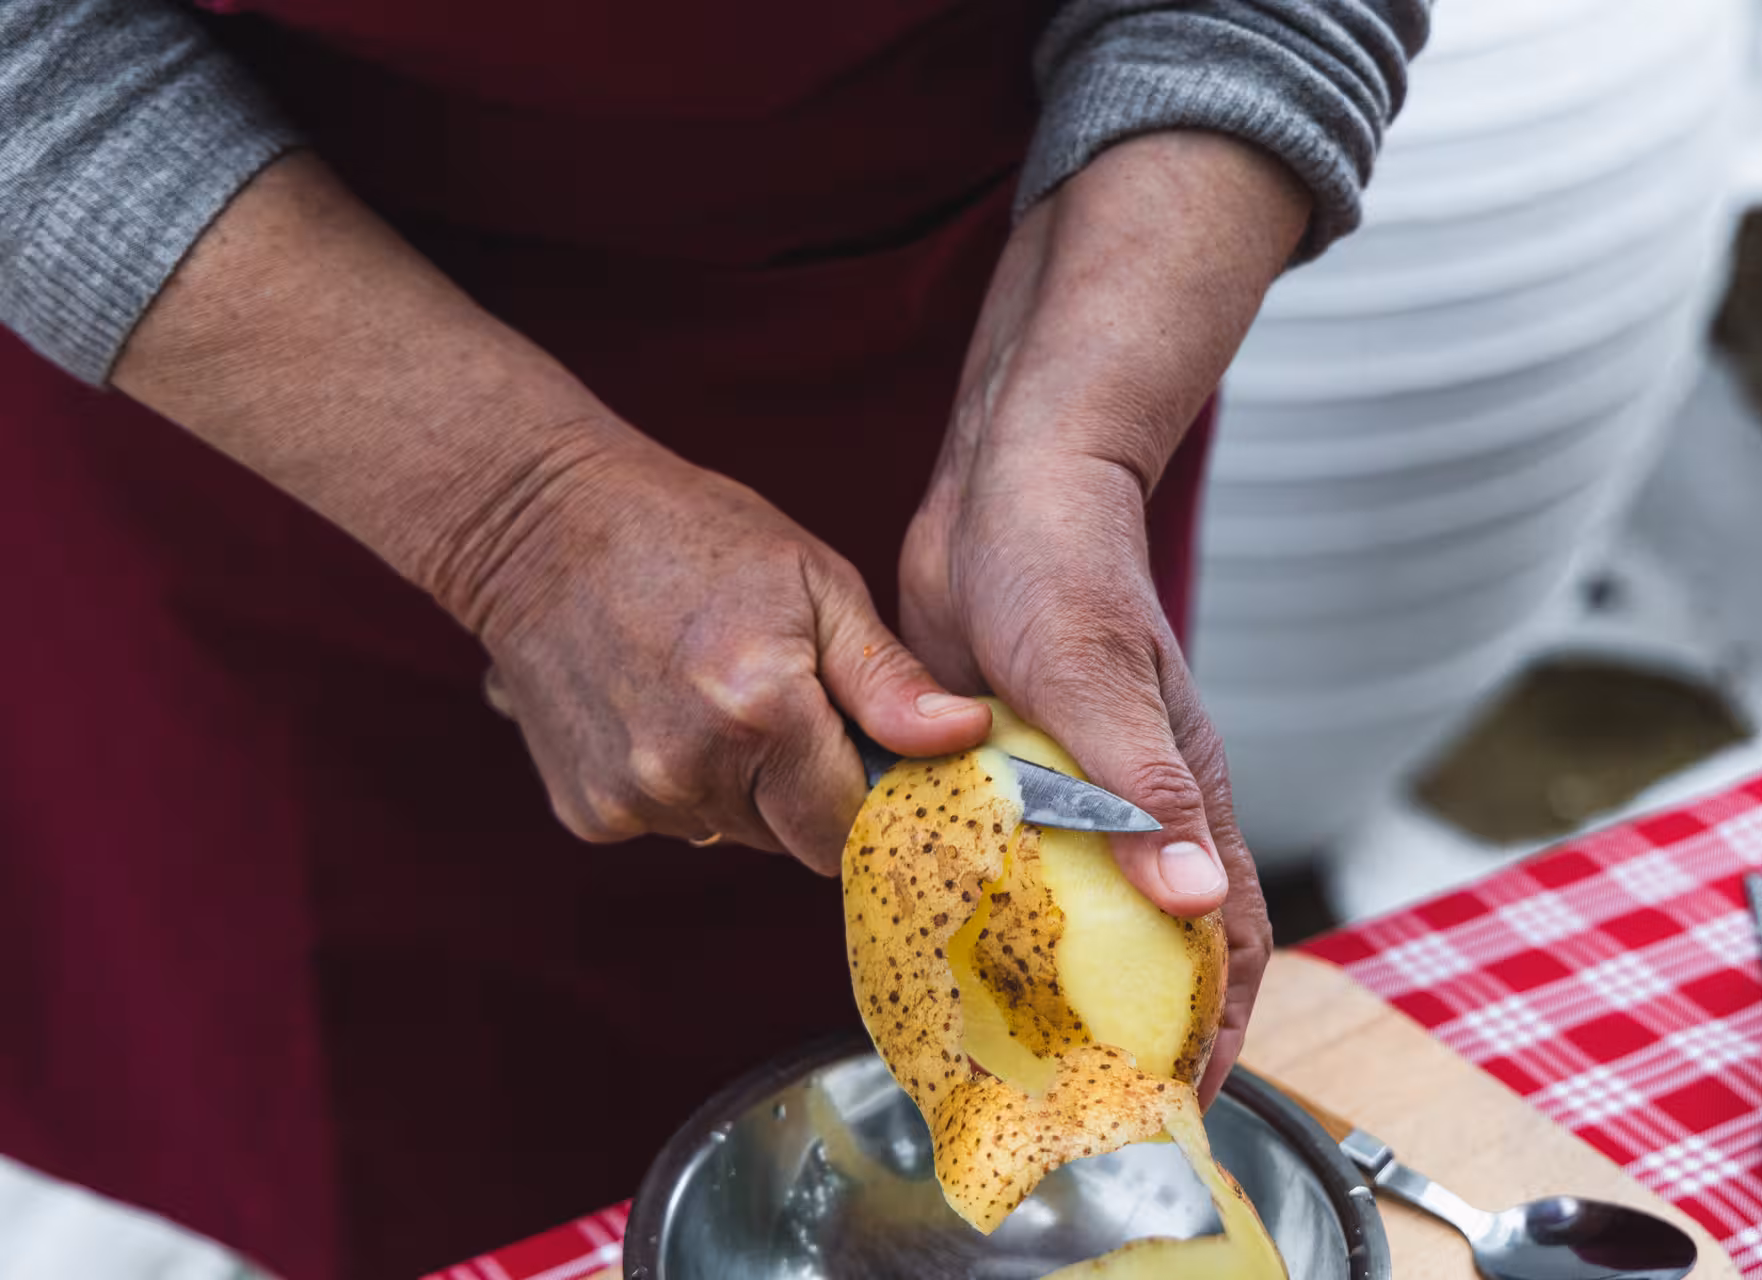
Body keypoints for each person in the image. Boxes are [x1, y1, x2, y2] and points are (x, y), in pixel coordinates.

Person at [0, 1, 1428, 1275]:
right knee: (394, 1137)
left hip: (999, 315)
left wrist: (1058, 445)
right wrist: (512, 511)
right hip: (277, 391)